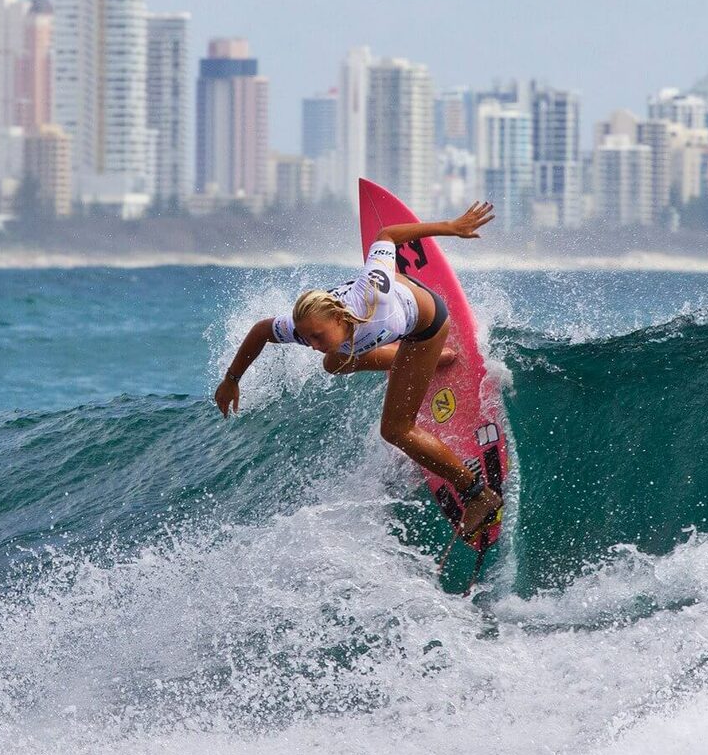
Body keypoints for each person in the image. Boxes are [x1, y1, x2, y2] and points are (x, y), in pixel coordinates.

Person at [214, 201, 501, 545]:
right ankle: (415, 362)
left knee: (395, 430)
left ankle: (476, 493)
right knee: (332, 362)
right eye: (305, 337)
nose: (310, 342)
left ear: (338, 318)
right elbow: (261, 331)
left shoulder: (371, 297)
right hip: (386, 318)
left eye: (317, 336)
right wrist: (231, 379)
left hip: (424, 324)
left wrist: (451, 226)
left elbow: (388, 235)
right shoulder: (310, 326)